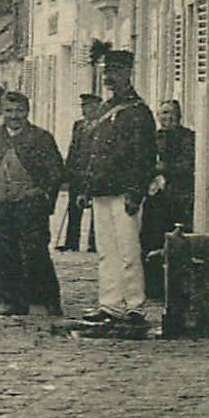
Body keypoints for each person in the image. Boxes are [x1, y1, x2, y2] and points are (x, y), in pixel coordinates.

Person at [73, 51, 158, 328]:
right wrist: (87, 187)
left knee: (128, 250)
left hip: (125, 191)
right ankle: (110, 303)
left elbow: (144, 156)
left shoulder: (138, 112)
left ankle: (134, 306)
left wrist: (136, 191)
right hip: (102, 189)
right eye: (108, 71)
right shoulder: (104, 110)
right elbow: (94, 153)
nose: (111, 77)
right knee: (107, 250)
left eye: (117, 71)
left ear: (128, 73)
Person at [0, 90, 65, 317]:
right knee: (5, 253)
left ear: (27, 112)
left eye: (19, 111)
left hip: (30, 205)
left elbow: (55, 172)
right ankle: (12, 300)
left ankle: (47, 299)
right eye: (9, 111)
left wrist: (42, 195)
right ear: (2, 112)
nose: (14, 116)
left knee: (35, 251)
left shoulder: (41, 138)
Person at [141, 99, 196, 299]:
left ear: (179, 116)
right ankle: (153, 288)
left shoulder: (188, 137)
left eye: (171, 113)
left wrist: (163, 170)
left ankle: (176, 288)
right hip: (156, 198)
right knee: (152, 238)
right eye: (163, 113)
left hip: (179, 197)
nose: (167, 118)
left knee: (176, 241)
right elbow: (144, 163)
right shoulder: (152, 138)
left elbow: (188, 165)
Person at [58, 94, 103, 253]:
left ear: (98, 107)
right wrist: (68, 170)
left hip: (94, 173)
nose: (86, 110)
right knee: (73, 208)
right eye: (84, 106)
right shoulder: (79, 125)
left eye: (89, 106)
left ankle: (94, 243)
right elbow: (73, 148)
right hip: (78, 173)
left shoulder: (103, 126)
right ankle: (71, 242)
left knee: (96, 209)